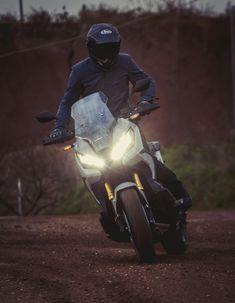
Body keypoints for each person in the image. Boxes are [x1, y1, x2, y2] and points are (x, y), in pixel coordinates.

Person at [45, 22, 192, 221]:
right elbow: (67, 101)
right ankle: (107, 208)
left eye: (111, 48)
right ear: (91, 47)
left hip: (124, 122)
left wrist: (146, 101)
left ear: (118, 46)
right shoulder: (80, 70)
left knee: (146, 157)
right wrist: (59, 127)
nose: (107, 53)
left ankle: (180, 193)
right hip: (94, 129)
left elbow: (146, 81)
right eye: (101, 48)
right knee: (93, 170)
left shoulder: (125, 61)